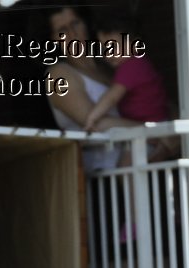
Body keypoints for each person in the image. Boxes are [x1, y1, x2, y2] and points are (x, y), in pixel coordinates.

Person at [40, 6, 138, 174]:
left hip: (140, 159)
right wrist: (155, 132)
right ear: (52, 40)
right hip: (105, 177)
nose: (72, 34)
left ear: (86, 24)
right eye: (62, 30)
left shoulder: (109, 64)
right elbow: (97, 124)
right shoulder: (58, 75)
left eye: (76, 23)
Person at [84, 10, 173, 129]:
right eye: (105, 48)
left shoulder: (132, 65)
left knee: (103, 124)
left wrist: (92, 117)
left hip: (153, 127)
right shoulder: (137, 64)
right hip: (155, 125)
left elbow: (112, 97)